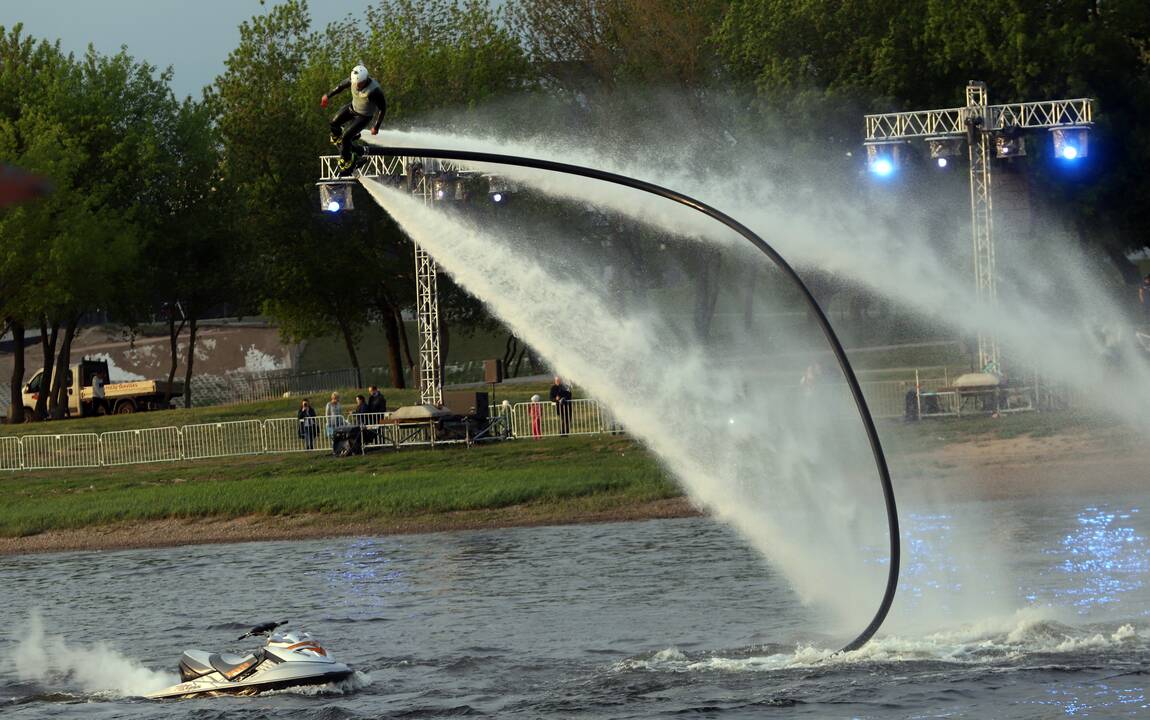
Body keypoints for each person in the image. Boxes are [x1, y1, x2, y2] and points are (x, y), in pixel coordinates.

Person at [321, 64, 387, 174]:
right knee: (333, 123)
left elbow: (382, 108)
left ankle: (349, 160)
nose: (357, 85)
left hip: (364, 117)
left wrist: (376, 126)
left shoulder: (374, 91)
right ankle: (342, 140)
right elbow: (340, 87)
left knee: (346, 137)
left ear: (365, 79)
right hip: (352, 108)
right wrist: (327, 96)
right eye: (355, 83)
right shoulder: (353, 79)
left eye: (360, 83)